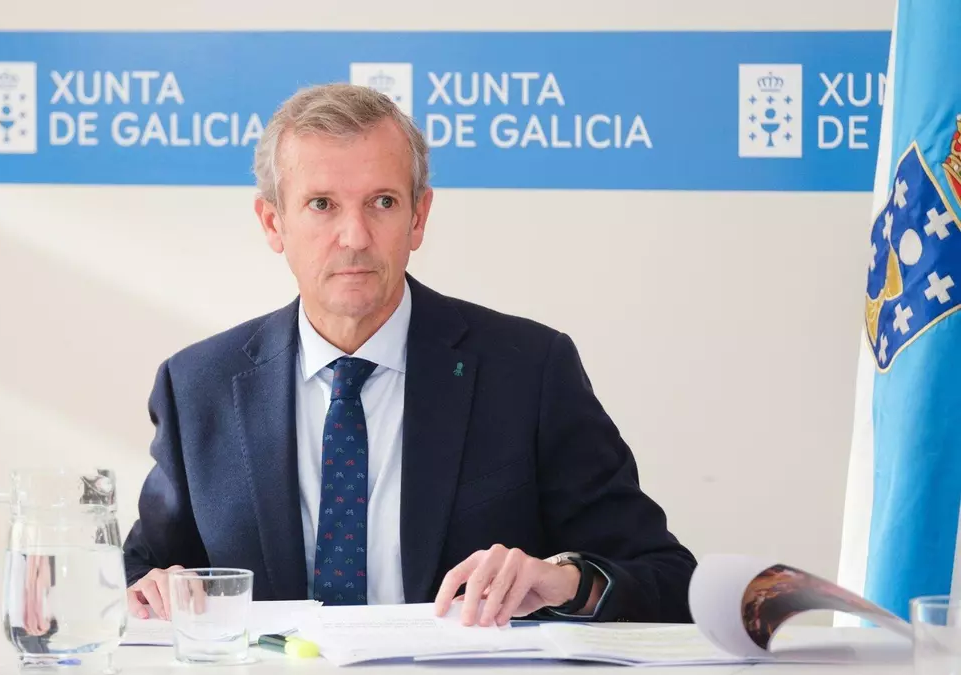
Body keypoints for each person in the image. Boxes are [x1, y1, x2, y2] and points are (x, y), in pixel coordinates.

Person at [120, 82, 696, 628]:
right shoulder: (198, 386)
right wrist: (149, 590)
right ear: (273, 222)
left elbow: (667, 580)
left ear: (418, 218)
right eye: (322, 204)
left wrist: (567, 582)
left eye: (382, 202)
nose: (354, 236)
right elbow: (142, 575)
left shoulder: (529, 370)